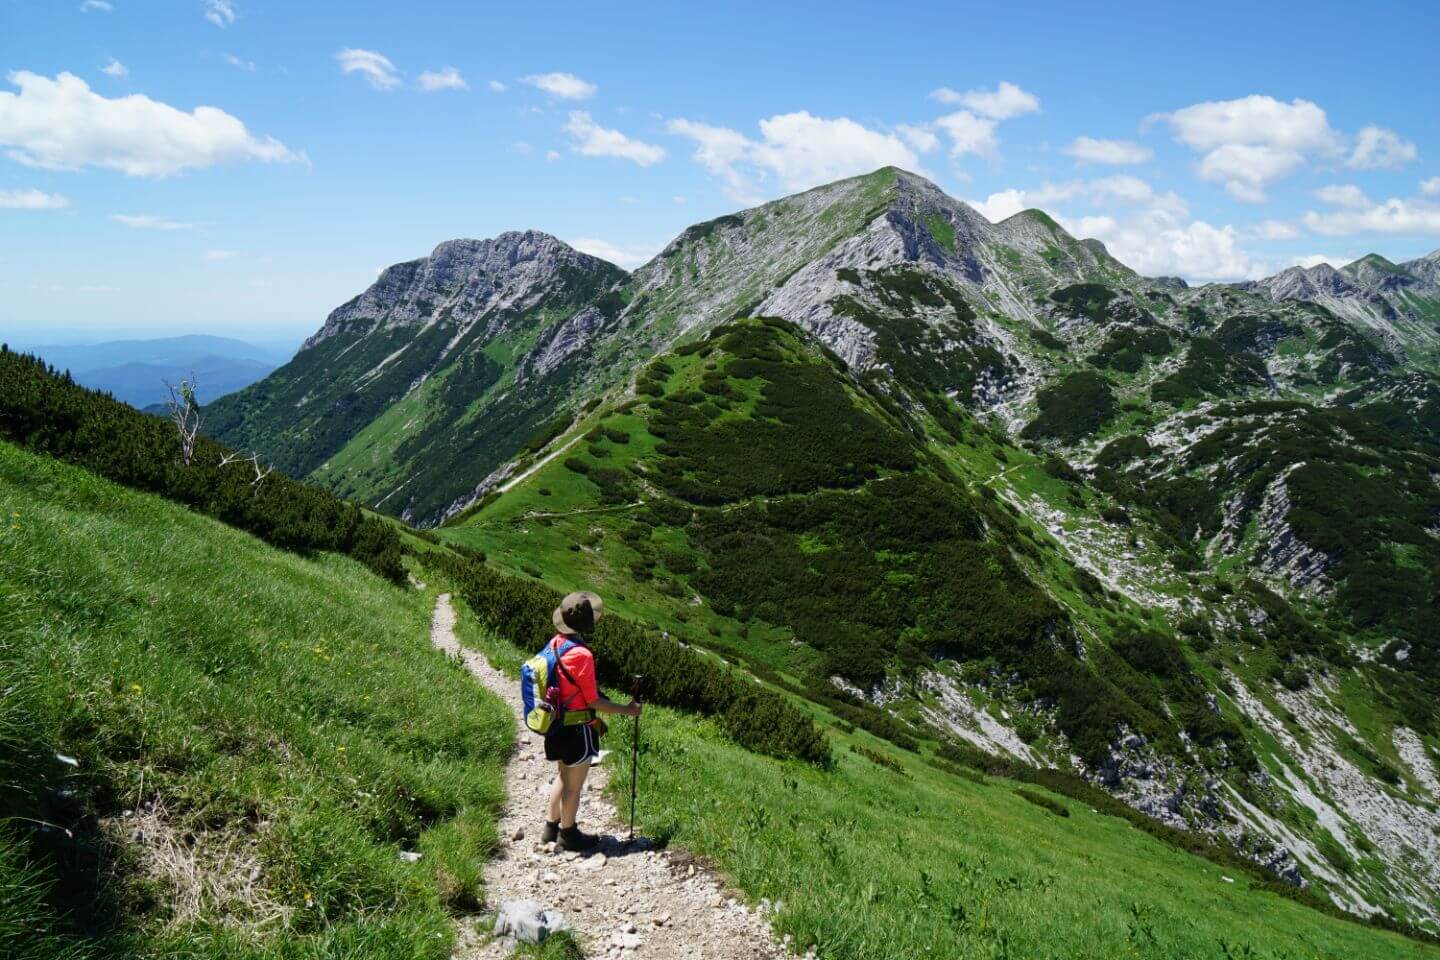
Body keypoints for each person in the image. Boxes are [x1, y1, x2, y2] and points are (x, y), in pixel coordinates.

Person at [541, 590, 642, 852]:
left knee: (562, 775)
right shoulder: (582, 655)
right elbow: (592, 700)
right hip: (578, 728)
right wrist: (627, 709)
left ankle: (550, 828)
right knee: (574, 786)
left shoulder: (555, 643)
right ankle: (568, 834)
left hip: (556, 724)